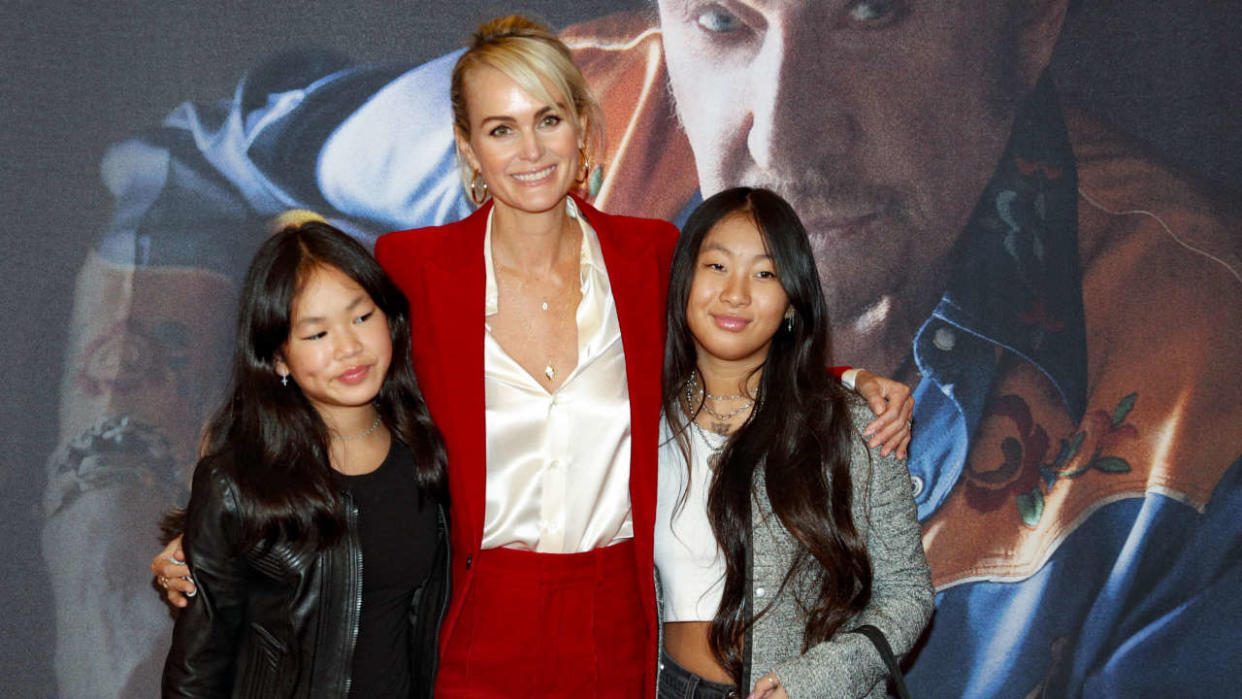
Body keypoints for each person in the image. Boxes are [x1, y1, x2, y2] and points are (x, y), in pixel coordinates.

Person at [67, 0, 1242, 695]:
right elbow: (192, 165)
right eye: (725, 21)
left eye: (876, 11)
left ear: (1031, 21)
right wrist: (110, 536)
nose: (779, 135)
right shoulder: (577, 136)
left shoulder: (1208, 405)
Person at [149, 17, 911, 698]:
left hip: (617, 624)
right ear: (468, 145)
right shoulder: (413, 265)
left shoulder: (649, 256)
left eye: (547, 119)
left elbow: (737, 357)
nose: (530, 150)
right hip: (470, 624)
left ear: (582, 126)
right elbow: (315, 379)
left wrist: (850, 385)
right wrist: (212, 527)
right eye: (500, 127)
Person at [655, 187, 933, 699]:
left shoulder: (854, 426)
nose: (736, 292)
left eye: (765, 273)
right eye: (717, 266)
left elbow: (908, 594)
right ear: (684, 281)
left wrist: (816, 682)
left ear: (790, 303)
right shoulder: (640, 423)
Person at [161, 219, 450, 697]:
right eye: (316, 334)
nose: (349, 347)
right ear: (278, 359)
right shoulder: (238, 483)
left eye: (361, 317)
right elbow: (198, 669)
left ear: (390, 319)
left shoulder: (429, 452)